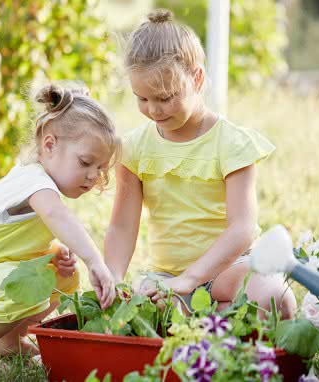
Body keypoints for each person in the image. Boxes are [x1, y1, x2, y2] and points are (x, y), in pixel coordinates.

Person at [104, 9, 296, 317]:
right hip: (168, 278)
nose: (153, 109)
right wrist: (112, 277)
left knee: (274, 298)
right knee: (150, 316)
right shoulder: (135, 148)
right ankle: (212, 330)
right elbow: (122, 225)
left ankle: (216, 329)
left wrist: (191, 279)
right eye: (142, 98)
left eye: (165, 97)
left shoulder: (231, 143)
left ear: (197, 78)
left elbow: (242, 228)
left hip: (230, 268)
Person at [0, 83, 120, 369]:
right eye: (86, 162)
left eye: (101, 168)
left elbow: (22, 239)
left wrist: (56, 253)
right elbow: (56, 216)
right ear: (50, 145)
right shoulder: (33, 180)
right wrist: (93, 259)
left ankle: (9, 340)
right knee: (26, 288)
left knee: (64, 277)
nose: (93, 175)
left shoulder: (44, 184)